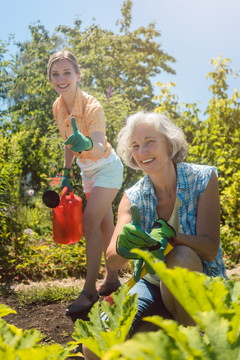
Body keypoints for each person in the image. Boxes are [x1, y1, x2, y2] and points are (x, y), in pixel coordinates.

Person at [82, 110, 227, 359]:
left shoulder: (203, 178)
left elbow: (210, 247)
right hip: (152, 286)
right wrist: (124, 246)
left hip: (199, 282)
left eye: (150, 142)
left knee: (180, 257)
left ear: (169, 144)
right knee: (94, 346)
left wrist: (173, 237)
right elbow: (113, 260)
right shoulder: (133, 196)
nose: (142, 152)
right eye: (135, 146)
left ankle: (188, 346)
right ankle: (164, 333)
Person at [47, 50, 123, 317]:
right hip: (86, 171)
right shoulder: (58, 106)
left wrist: (88, 143)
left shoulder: (93, 107)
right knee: (104, 223)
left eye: (67, 72)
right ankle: (112, 279)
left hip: (107, 168)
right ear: (50, 79)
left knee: (89, 221)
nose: (61, 78)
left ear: (78, 75)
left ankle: (89, 290)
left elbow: (100, 145)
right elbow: (69, 141)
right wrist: (66, 172)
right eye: (55, 74)